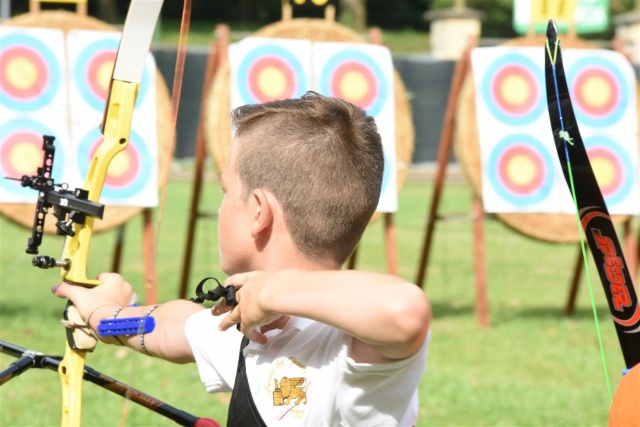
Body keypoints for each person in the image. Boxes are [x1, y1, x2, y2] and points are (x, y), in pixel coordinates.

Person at [53, 91, 431, 426]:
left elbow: (405, 310)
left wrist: (271, 293)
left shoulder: (349, 348)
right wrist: (106, 315)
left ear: (257, 212)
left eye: (225, 189)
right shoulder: (255, 323)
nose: (219, 206)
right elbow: (171, 326)